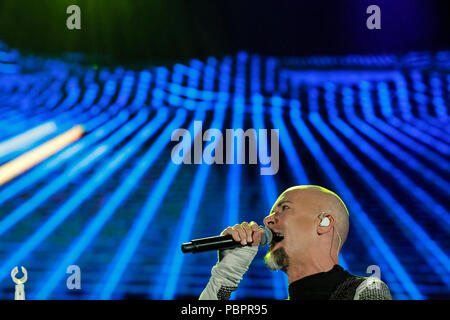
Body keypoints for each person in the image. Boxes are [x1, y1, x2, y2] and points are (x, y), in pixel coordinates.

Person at [199, 185, 392, 300]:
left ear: (324, 223)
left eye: (284, 208)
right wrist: (224, 277)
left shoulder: (365, 290)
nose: (267, 220)